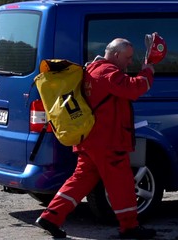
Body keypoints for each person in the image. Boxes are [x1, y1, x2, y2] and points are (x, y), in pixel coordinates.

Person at [35, 38, 156, 239]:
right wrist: (148, 71)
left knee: (80, 180)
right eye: (127, 58)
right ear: (116, 55)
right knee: (122, 184)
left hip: (90, 140)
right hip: (108, 141)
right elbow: (134, 89)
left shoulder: (91, 70)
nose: (129, 63)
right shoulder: (107, 73)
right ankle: (129, 227)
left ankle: (51, 216)